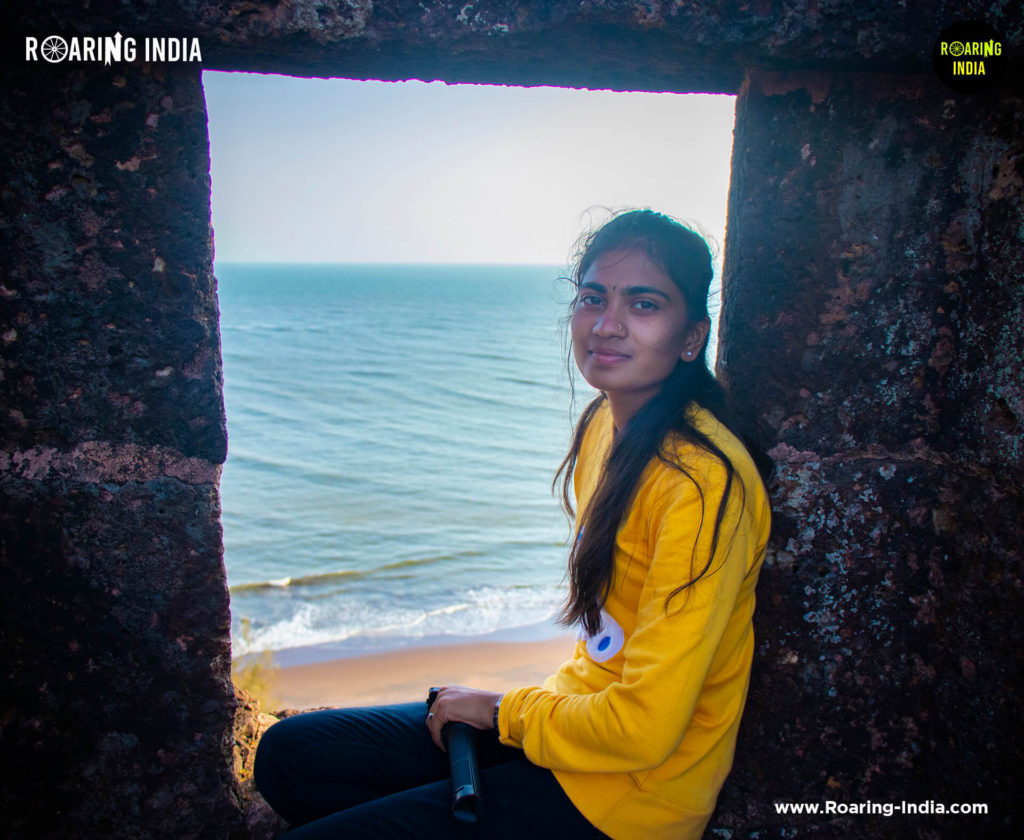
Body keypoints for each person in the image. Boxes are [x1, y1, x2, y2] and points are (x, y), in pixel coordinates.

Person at [254, 209, 773, 839]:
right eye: (592, 298)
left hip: (629, 801)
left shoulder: (701, 484)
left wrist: (499, 711)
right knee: (292, 756)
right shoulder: (606, 428)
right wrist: (522, 715)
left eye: (643, 304)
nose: (606, 325)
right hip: (571, 730)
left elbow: (645, 727)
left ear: (691, 337)